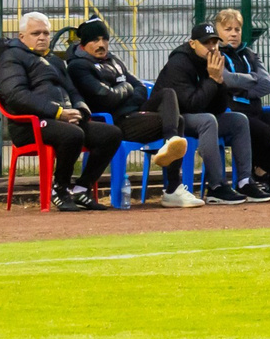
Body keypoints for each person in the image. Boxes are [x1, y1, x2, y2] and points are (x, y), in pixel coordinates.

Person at [64, 17, 200, 206]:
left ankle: (171, 144)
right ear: (83, 43)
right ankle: (172, 189)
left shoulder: (114, 61)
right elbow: (105, 97)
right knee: (178, 121)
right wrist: (126, 89)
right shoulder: (78, 66)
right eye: (95, 40)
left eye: (104, 39)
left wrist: (124, 91)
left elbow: (140, 88)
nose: (101, 44)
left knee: (168, 95)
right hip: (114, 121)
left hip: (134, 112)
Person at [0, 11, 119, 210]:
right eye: (36, 33)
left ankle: (81, 189)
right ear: (22, 37)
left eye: (45, 33)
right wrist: (57, 112)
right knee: (72, 135)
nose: (42, 37)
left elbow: (72, 90)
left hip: (62, 120)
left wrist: (80, 110)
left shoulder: (54, 60)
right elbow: (16, 96)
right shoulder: (11, 58)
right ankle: (60, 188)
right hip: (29, 125)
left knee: (111, 134)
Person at [154, 23, 259, 204]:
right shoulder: (179, 63)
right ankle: (216, 187)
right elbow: (190, 104)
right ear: (193, 44)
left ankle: (244, 181)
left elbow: (219, 107)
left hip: (199, 115)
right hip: (175, 119)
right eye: (206, 43)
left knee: (239, 120)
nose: (212, 47)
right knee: (208, 121)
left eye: (214, 43)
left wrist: (218, 81)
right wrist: (212, 80)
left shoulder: (213, 62)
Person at [212, 8, 270, 198]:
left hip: (256, 110)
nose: (234, 33)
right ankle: (250, 180)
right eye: (228, 29)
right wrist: (252, 79)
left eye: (237, 29)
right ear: (218, 31)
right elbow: (227, 79)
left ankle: (261, 170)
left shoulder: (249, 54)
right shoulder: (214, 54)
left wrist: (241, 86)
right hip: (231, 113)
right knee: (262, 131)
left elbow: (266, 84)